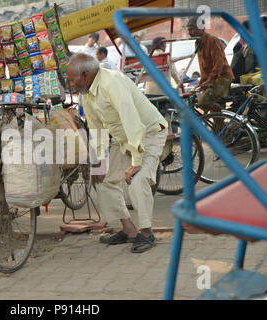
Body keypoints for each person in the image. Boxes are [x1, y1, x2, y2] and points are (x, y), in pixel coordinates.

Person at [66, 53, 168, 253]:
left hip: (148, 133)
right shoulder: (87, 94)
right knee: (103, 179)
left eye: (72, 79)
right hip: (125, 140)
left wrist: (136, 161)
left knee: (138, 180)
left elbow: (133, 122)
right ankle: (129, 229)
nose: (71, 84)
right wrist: (98, 161)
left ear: (85, 74)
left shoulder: (112, 82)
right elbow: (96, 130)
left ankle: (146, 233)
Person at [187, 17, 234, 111]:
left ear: (200, 28)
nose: (189, 32)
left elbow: (218, 63)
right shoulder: (198, 42)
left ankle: (228, 115)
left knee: (204, 102)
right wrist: (201, 83)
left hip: (222, 78)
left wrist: (210, 81)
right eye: (189, 30)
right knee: (195, 100)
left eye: (191, 29)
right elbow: (203, 67)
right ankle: (218, 120)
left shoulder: (213, 40)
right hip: (210, 79)